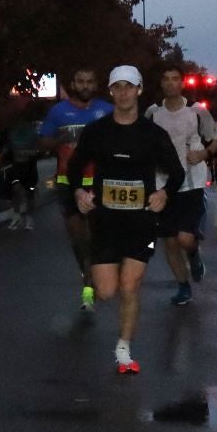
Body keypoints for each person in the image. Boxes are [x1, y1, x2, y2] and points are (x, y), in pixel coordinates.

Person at [69, 65, 184, 374]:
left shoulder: (153, 134)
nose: (123, 93)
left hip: (141, 221)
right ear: (110, 91)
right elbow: (75, 167)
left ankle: (124, 350)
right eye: (117, 87)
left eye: (128, 87)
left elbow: (177, 173)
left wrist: (164, 194)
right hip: (105, 221)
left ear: (139, 90)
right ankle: (121, 328)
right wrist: (80, 192)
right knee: (107, 291)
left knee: (130, 285)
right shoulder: (97, 131)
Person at [38, 68, 116, 311]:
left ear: (96, 84)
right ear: (73, 83)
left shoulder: (107, 110)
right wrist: (61, 139)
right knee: (77, 236)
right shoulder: (58, 112)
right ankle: (87, 276)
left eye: (89, 81)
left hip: (98, 181)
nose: (84, 86)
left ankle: (90, 285)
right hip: (67, 181)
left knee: (95, 235)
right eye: (80, 81)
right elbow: (43, 142)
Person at [145, 64, 217, 306]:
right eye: (165, 79)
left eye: (175, 79)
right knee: (169, 241)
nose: (169, 83)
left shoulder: (197, 112)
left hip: (191, 183)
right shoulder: (153, 113)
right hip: (163, 185)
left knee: (185, 238)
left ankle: (194, 256)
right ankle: (183, 285)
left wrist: (204, 153)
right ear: (161, 83)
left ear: (182, 83)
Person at [0, 107, 44, 231]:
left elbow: (38, 149)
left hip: (29, 166)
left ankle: (28, 217)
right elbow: (7, 148)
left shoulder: (32, 131)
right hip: (15, 166)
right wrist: (1, 159)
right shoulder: (10, 131)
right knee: (16, 190)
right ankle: (17, 215)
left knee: (29, 192)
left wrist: (27, 152)